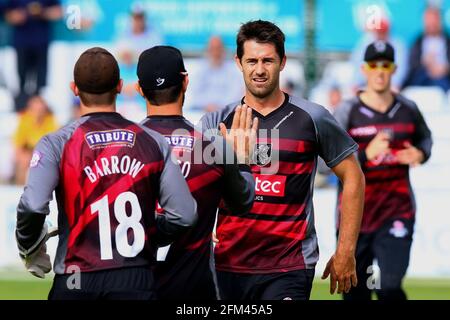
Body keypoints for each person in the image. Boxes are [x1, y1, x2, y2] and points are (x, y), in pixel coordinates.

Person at [200, 20, 365, 300]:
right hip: (227, 264)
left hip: (289, 266)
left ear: (283, 62)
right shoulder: (216, 122)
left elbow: (353, 177)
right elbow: (198, 187)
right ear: (238, 62)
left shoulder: (313, 117)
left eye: (268, 60)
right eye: (252, 60)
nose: (260, 69)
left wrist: (346, 250)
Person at [15, 47, 197, 300]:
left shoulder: (56, 143)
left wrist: (29, 246)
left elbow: (34, 205)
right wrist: (147, 230)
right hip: (136, 277)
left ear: (74, 89)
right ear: (120, 86)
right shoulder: (152, 141)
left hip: (76, 277)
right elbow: (185, 215)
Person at [135, 45, 256, 300]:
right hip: (194, 291)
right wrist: (241, 159)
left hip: (133, 286)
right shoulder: (213, 147)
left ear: (138, 89)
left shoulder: (123, 149)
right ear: (186, 82)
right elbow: (243, 203)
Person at [334, 41, 433, 300]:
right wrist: (365, 154)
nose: (380, 71)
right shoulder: (347, 111)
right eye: (374, 65)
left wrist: (420, 154)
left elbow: (425, 139)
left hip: (396, 209)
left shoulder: (408, 109)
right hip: (356, 217)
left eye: (385, 65)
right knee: (356, 292)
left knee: (388, 285)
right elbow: (328, 163)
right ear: (364, 69)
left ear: (394, 69)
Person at [4, 0, 62, 111]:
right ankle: (21, 111)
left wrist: (41, 12)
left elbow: (58, 12)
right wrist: (21, 14)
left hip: (41, 43)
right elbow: (8, 15)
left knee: (41, 84)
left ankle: (39, 112)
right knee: (21, 82)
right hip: (22, 43)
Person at [350, 16, 408, 92]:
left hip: (389, 85)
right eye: (378, 31)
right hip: (366, 84)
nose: (380, 34)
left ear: (388, 30)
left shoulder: (398, 44)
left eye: (383, 31)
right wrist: (356, 84)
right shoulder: (365, 42)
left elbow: (400, 69)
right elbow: (358, 66)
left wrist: (395, 85)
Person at [190, 35, 244, 113]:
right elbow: (193, 94)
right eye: (212, 49)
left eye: (218, 48)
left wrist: (220, 107)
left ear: (223, 50)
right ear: (207, 50)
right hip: (201, 112)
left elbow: (235, 94)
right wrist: (207, 105)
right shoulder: (199, 70)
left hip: (226, 113)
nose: (215, 52)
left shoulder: (233, 71)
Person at [13, 95, 58, 185]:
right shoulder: (25, 120)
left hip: (45, 154)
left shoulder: (51, 121)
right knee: (23, 161)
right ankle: (20, 188)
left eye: (40, 110)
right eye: (35, 110)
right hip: (30, 152)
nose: (38, 113)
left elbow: (53, 146)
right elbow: (18, 144)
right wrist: (23, 156)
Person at [402, 6, 450, 92]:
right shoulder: (417, 41)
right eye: (428, 20)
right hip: (421, 80)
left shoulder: (447, 40)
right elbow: (412, 66)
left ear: (440, 21)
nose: (431, 23)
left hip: (445, 80)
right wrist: (424, 63)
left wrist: (446, 68)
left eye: (434, 19)